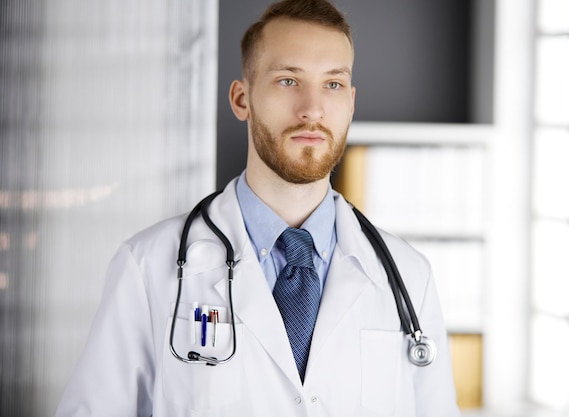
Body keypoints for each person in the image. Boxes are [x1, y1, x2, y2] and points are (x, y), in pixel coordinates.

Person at [55, 0, 461, 416]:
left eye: (333, 84)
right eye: (288, 81)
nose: (312, 109)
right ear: (241, 98)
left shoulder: (409, 277)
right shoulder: (148, 268)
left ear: (351, 103)